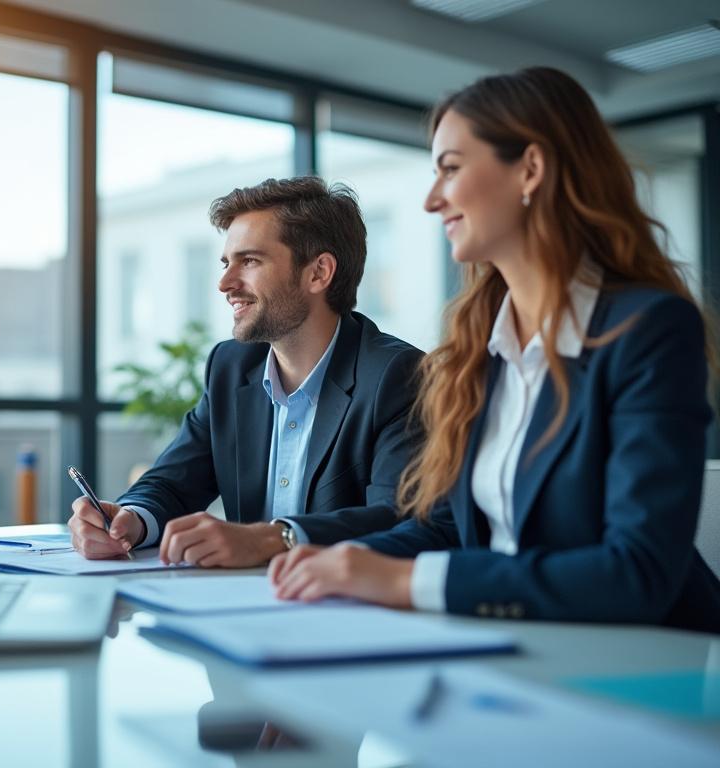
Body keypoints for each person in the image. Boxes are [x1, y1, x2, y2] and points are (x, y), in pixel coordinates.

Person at [269, 67, 720, 633]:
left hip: (650, 669)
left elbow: (638, 572)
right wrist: (339, 560)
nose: (433, 200)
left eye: (451, 169)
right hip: (516, 651)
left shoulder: (647, 331)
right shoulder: (479, 348)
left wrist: (402, 581)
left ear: (530, 169)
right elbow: (448, 530)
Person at [69, 177, 423, 567]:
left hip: (347, 611)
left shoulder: (398, 375)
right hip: (244, 607)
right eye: (226, 263)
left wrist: (277, 539)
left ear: (319, 272)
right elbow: (172, 481)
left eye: (250, 261)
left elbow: (400, 518)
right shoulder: (231, 367)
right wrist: (130, 519)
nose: (224, 283)